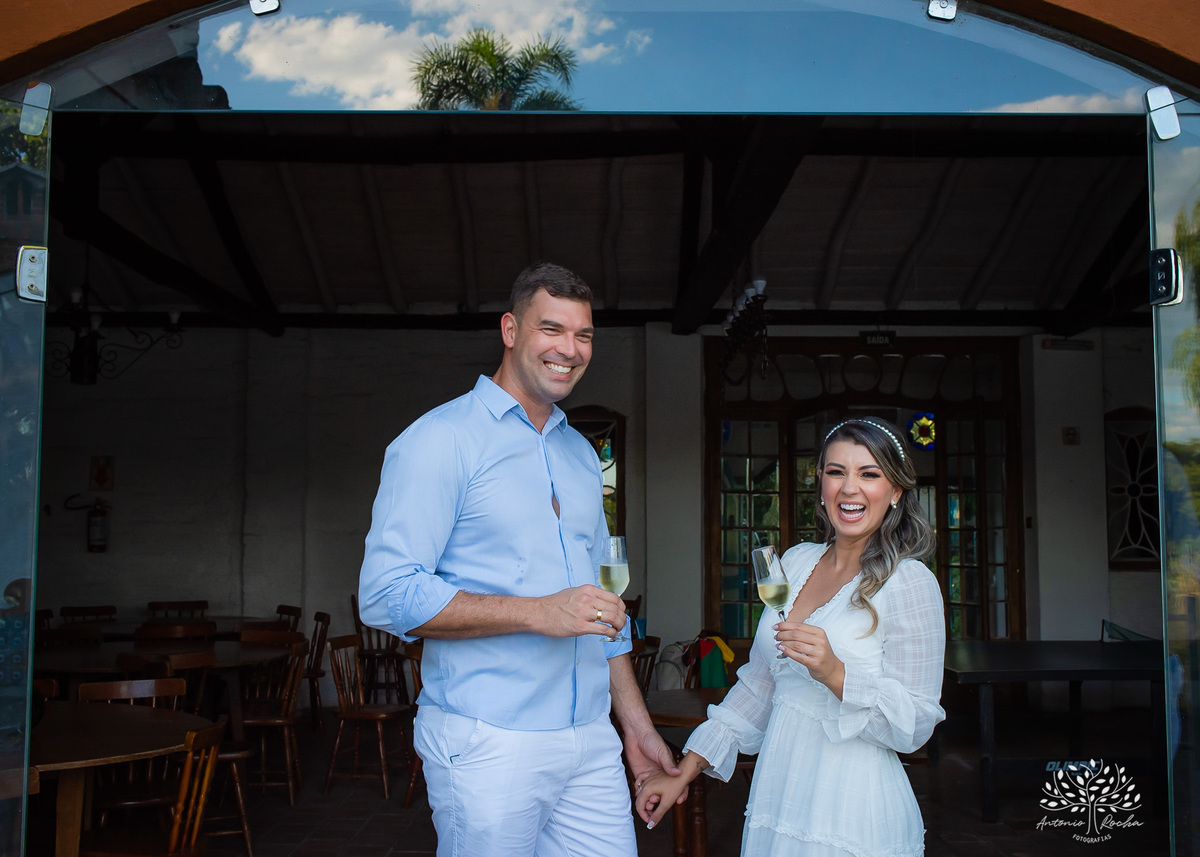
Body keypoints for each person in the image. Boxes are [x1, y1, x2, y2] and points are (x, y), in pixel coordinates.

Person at [358, 262, 679, 857]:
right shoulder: (439, 439)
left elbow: (601, 608)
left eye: (583, 336)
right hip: (489, 739)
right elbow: (387, 594)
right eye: (551, 329)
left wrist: (634, 726)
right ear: (510, 330)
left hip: (591, 738)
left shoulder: (582, 454)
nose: (570, 350)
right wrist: (537, 612)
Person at [639, 417, 945, 856]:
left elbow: (915, 725)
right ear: (820, 483)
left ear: (895, 490)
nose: (850, 488)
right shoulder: (797, 562)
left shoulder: (910, 582)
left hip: (852, 807)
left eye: (869, 474)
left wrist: (835, 673)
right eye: (836, 472)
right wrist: (684, 770)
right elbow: (760, 685)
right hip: (780, 790)